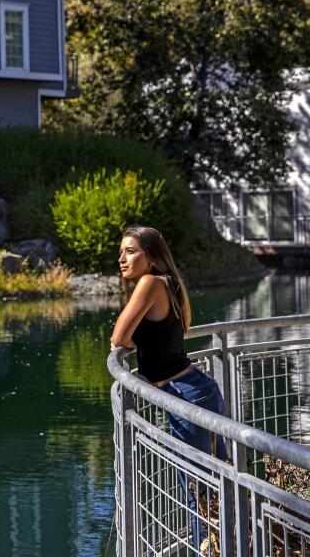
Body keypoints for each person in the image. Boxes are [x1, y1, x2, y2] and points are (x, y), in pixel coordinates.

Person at [110, 225, 225, 553]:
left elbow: (119, 338)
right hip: (197, 389)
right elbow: (143, 337)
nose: (122, 258)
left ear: (152, 255)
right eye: (121, 252)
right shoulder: (169, 283)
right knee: (214, 488)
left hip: (187, 394)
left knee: (198, 493)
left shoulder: (148, 283)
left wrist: (127, 341)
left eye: (131, 251)